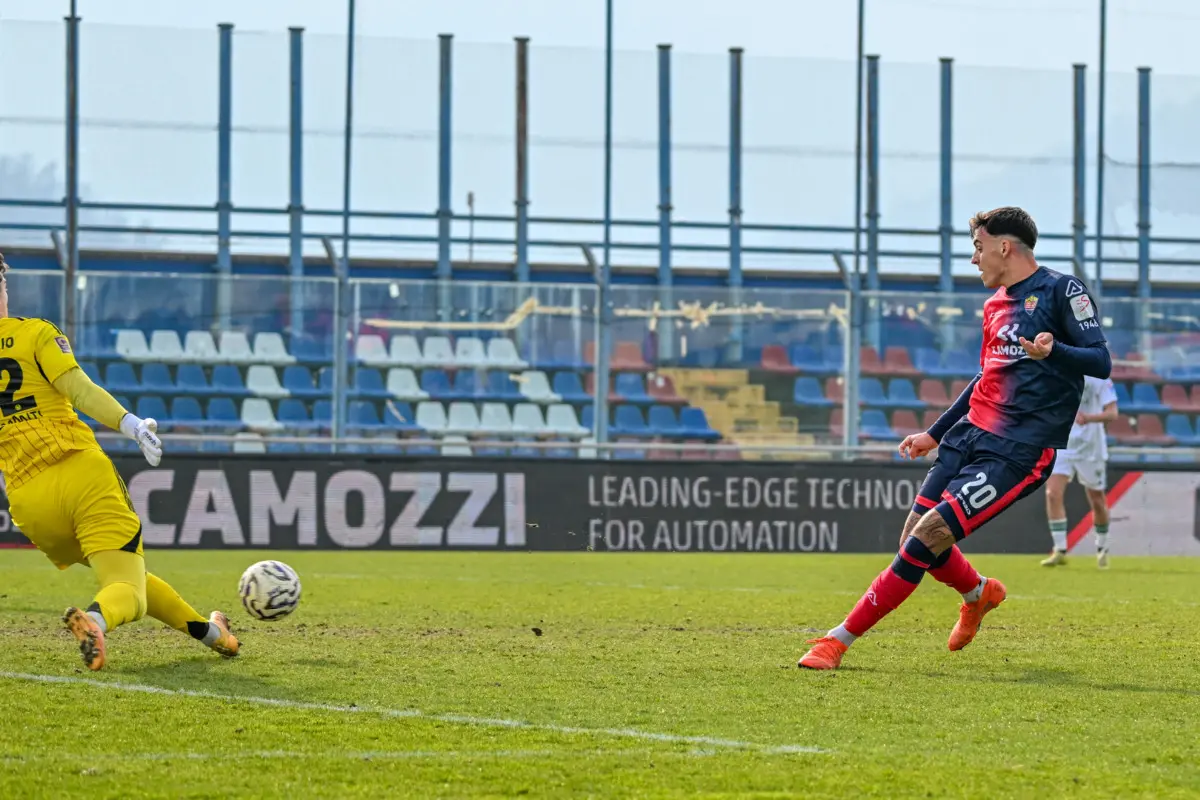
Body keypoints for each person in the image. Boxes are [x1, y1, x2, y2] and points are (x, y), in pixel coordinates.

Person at [799, 207, 1112, 670]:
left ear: (1004, 247)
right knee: (915, 538)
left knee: (927, 537)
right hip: (969, 434)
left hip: (1020, 449)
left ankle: (836, 640)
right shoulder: (994, 305)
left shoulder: (1062, 290)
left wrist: (1054, 351)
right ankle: (978, 593)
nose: (974, 259)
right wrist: (935, 432)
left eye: (978, 247)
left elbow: (1101, 362)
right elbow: (985, 376)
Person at [0, 253, 240, 670]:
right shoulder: (34, 333)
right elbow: (78, 388)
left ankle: (216, 635)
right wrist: (130, 424)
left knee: (127, 575)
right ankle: (94, 620)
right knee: (126, 588)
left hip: (27, 501)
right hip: (78, 472)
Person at [1041, 375, 1119, 568]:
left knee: (1097, 500)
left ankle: (1102, 548)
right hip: (1063, 444)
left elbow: (1112, 413)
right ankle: (1060, 549)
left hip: (1090, 447)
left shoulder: (1099, 376)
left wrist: (1089, 418)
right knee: (1052, 493)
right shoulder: (1059, 372)